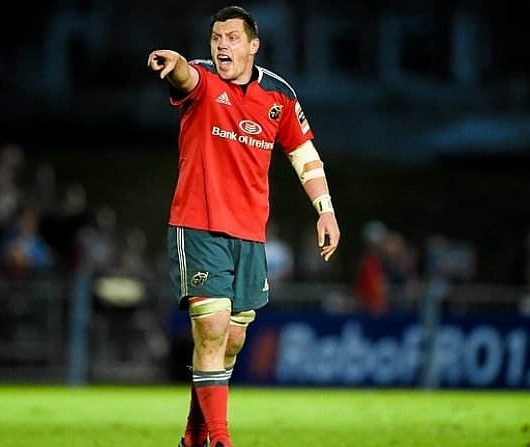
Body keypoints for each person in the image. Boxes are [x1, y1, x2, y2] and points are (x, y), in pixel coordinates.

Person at [147, 6, 341, 447]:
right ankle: (220, 438)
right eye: (216, 37)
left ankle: (194, 436)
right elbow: (184, 76)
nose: (221, 45)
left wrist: (325, 209)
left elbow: (304, 154)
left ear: (253, 45)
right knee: (211, 328)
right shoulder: (203, 79)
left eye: (232, 38)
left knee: (231, 339)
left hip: (250, 234)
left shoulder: (280, 96)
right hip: (199, 224)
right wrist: (174, 61)